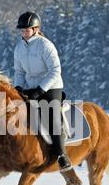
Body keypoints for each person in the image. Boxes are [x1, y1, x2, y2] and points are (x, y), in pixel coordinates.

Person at [13, 11, 72, 172]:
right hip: (30, 87)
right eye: (22, 31)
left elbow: (55, 71)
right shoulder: (19, 48)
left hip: (51, 86)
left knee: (51, 116)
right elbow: (19, 72)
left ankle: (62, 156)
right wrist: (18, 88)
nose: (24, 33)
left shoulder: (46, 45)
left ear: (36, 29)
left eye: (27, 30)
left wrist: (40, 90)